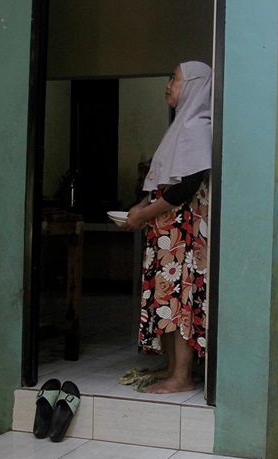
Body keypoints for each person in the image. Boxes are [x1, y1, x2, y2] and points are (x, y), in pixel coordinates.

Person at [121, 61, 212, 393]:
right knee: (169, 297)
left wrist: (145, 214)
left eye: (175, 78)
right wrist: (142, 208)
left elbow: (185, 189)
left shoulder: (196, 126)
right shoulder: (181, 126)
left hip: (182, 234)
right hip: (168, 231)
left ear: (194, 85)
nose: (168, 84)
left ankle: (182, 376)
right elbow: (165, 183)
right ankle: (173, 367)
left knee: (180, 297)